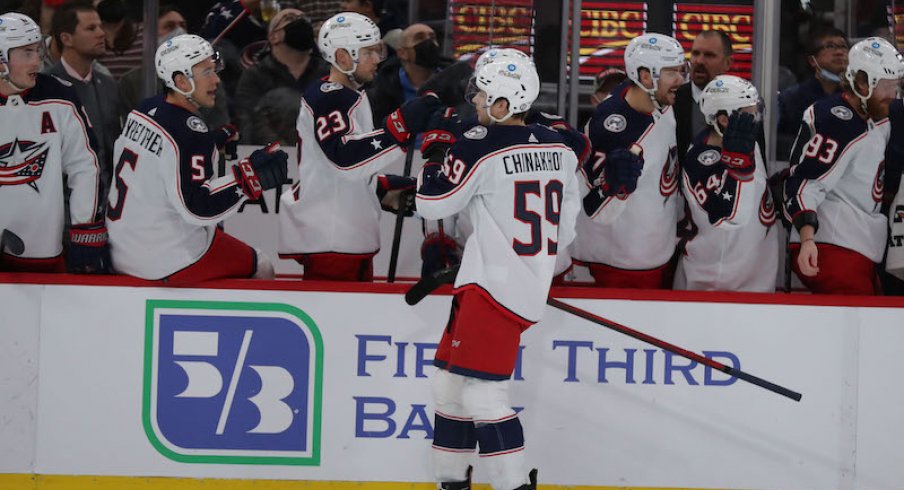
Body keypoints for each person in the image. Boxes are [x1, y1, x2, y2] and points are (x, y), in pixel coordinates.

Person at [416, 56, 579, 490]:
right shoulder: (560, 148)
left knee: (483, 395)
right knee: (448, 387)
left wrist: (433, 157)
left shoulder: (480, 143)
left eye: (485, 95)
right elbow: (566, 231)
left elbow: (432, 204)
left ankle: (514, 485)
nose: (477, 102)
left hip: (493, 286)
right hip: (511, 281)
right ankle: (451, 481)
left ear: (506, 102)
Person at [105, 34, 289, 283]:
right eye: (205, 73)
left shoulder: (145, 109)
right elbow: (197, 208)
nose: (216, 80)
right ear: (181, 81)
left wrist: (211, 142)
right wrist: (248, 178)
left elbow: (167, 158)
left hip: (122, 246)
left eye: (214, 70)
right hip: (163, 259)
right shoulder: (190, 132)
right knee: (262, 265)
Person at [277, 12, 441, 281]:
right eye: (368, 52)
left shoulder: (349, 94)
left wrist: (382, 187)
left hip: (343, 236)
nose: (377, 59)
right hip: (333, 241)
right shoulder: (330, 98)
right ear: (343, 57)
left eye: (377, 50)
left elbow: (332, 170)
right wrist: (400, 126)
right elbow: (344, 159)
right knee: (333, 319)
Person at [782, 37, 904, 295]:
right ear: (861, 82)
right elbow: (805, 183)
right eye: (887, 87)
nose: (893, 96)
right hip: (833, 249)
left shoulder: (873, 116)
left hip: (858, 250)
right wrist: (807, 240)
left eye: (896, 87)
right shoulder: (837, 120)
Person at [572, 33, 686, 289]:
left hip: (653, 253)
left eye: (680, 70)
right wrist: (614, 188)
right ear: (645, 77)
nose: (680, 80)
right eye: (671, 72)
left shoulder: (660, 102)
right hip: (616, 264)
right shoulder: (612, 129)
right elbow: (594, 208)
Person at [0, 12, 109, 273]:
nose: (37, 59)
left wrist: (85, 228)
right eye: (26, 52)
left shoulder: (59, 95)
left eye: (38, 50)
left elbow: (86, 165)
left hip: (43, 248)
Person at [675, 75, 778, 292]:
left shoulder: (746, 144)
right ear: (724, 119)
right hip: (714, 284)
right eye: (750, 113)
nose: (756, 118)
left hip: (754, 278)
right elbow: (728, 217)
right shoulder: (700, 161)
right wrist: (738, 168)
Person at [47, 0, 121, 197]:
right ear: (67, 38)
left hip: (109, 206)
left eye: (100, 26)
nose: (101, 33)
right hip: (63, 209)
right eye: (91, 28)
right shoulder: (45, 88)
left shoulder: (109, 84)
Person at [234, 9, 327, 144]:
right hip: (273, 154)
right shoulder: (255, 75)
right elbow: (249, 122)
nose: (301, 22)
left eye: (304, 19)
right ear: (273, 37)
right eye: (290, 18)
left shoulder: (328, 72)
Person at [776, 27, 848, 161]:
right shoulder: (792, 98)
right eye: (830, 46)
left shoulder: (854, 98)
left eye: (843, 47)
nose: (839, 52)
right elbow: (776, 141)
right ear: (812, 60)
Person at [368, 23, 444, 125]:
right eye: (420, 38)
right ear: (402, 53)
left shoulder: (454, 82)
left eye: (432, 37)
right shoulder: (382, 92)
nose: (429, 42)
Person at [675, 30, 732, 161]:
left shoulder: (743, 107)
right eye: (695, 54)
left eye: (709, 55)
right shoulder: (671, 100)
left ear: (728, 63)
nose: (699, 61)